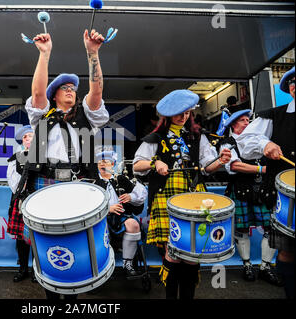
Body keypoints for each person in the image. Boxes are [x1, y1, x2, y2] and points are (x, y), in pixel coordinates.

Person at [17, 29, 110, 299]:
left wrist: (93, 54)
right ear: (54, 95)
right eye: (65, 89)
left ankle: (71, 296)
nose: (71, 91)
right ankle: (51, 293)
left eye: (73, 89)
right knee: (47, 244)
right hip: (45, 183)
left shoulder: (88, 116)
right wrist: (44, 54)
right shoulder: (41, 116)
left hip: (78, 184)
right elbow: (36, 92)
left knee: (73, 240)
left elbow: (96, 90)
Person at [132, 89, 231, 299]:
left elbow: (207, 166)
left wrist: (220, 161)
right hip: (165, 197)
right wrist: (154, 162)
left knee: (192, 255)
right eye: (179, 113)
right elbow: (136, 165)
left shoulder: (198, 137)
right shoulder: (155, 138)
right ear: (167, 115)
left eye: (187, 113)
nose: (184, 117)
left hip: (194, 197)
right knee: (173, 254)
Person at [236, 66, 295, 299]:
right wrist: (265, 145)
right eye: (292, 83)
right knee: (288, 253)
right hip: (285, 198)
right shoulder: (273, 115)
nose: (295, 85)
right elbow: (248, 140)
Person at [221, 109, 281, 284]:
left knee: (271, 228)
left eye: (248, 120)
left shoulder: (259, 138)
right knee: (242, 230)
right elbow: (235, 166)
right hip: (241, 190)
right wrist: (262, 169)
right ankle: (247, 265)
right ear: (233, 124)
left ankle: (265, 266)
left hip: (263, 190)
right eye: (243, 120)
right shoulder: (227, 143)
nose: (247, 123)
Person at [94, 150, 147, 278]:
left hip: (120, 219)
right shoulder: (93, 182)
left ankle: (128, 264)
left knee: (133, 224)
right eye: (100, 162)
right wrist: (107, 209)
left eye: (106, 161)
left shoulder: (122, 179)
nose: (102, 164)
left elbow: (139, 202)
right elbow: (86, 205)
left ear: (112, 164)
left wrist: (130, 197)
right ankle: (100, 267)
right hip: (98, 219)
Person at [6, 125, 35, 282]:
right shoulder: (16, 157)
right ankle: (23, 269)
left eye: (31, 136)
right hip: (21, 199)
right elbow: (12, 180)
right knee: (21, 238)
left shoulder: (44, 157)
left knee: (38, 236)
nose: (28, 139)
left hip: (39, 200)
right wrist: (23, 192)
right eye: (25, 137)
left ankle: (38, 271)